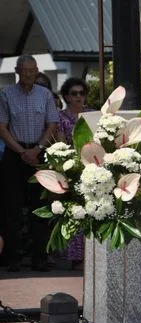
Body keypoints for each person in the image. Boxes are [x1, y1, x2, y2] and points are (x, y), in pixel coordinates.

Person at [0, 54, 58, 272]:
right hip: (15, 154)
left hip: (38, 152)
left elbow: (51, 124)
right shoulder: (5, 94)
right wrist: (22, 151)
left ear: (37, 71)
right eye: (24, 71)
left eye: (32, 70)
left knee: (40, 208)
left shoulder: (45, 95)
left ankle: (40, 258)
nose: (28, 74)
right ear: (17, 71)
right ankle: (12, 258)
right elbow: (2, 127)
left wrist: (37, 149)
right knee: (11, 209)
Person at [57, 77, 93, 270]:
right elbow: (62, 143)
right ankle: (77, 258)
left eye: (81, 93)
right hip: (73, 168)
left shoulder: (92, 114)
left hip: (93, 166)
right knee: (76, 212)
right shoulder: (61, 117)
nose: (79, 97)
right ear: (67, 97)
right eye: (74, 93)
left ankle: (92, 255)